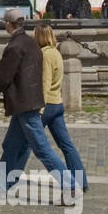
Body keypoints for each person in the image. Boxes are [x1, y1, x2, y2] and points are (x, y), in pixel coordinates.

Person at [0, 9, 68, 197]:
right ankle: (2, 186)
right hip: (30, 102)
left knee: (41, 148)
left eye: (5, 22)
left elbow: (3, 77)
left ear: (8, 24)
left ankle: (69, 186)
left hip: (24, 104)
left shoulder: (14, 47)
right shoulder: (31, 43)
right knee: (11, 145)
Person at [34, 24, 87, 191]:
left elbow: (45, 82)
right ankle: (81, 180)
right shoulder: (56, 52)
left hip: (47, 105)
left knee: (32, 142)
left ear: (40, 37)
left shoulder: (45, 55)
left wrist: (39, 108)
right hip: (57, 103)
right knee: (66, 144)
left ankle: (9, 175)